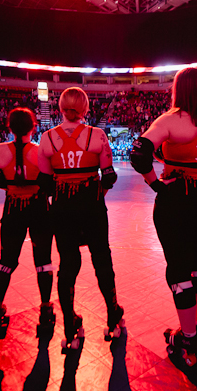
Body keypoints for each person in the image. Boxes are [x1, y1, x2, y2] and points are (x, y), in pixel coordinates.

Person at [130, 67, 197, 367]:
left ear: (179, 90)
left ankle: (188, 336)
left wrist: (156, 185)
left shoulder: (169, 120)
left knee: (178, 270)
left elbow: (138, 154)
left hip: (177, 200)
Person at [38, 87, 124, 351]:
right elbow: (109, 176)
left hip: (63, 207)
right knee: (101, 258)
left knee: (68, 265)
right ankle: (113, 315)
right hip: (91, 204)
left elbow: (45, 184)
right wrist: (96, 192)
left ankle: (70, 326)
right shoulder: (96, 135)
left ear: (60, 108)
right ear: (85, 109)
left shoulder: (47, 138)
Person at [0, 107, 55, 336]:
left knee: (6, 260)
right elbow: (50, 183)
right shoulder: (40, 151)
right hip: (38, 208)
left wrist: (6, 182)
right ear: (33, 126)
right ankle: (45, 308)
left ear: (9, 127)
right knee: (43, 260)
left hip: (13, 207)